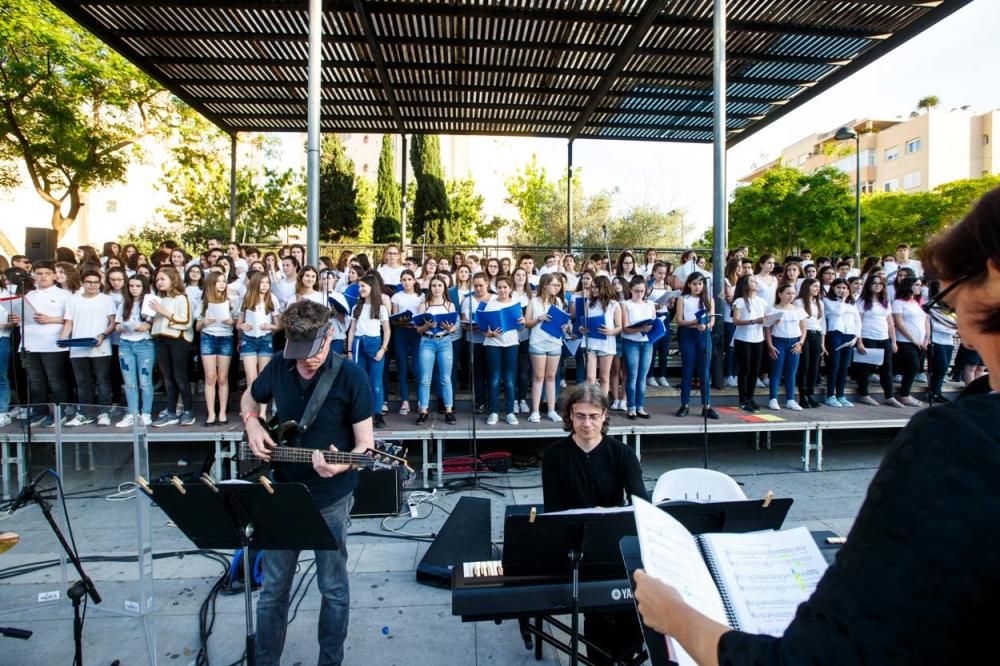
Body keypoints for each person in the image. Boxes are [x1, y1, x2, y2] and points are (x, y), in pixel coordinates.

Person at [632, 185, 1000, 666]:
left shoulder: (960, 444)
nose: (961, 328)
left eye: (950, 301)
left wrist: (676, 615)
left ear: (993, 276)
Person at [243, 299, 375, 666]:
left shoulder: (351, 377)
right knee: (272, 591)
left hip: (330, 497)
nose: (307, 360)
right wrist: (253, 422)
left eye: (313, 351)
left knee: (333, 589)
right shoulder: (279, 366)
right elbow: (249, 399)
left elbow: (366, 448)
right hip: (282, 494)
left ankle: (330, 661)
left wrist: (343, 467)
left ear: (329, 334)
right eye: (299, 353)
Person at [543, 383, 648, 664]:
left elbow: (641, 505)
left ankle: (627, 656)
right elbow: (554, 511)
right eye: (580, 416)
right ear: (570, 417)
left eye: (593, 416)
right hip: (575, 543)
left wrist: (610, 515)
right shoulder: (554, 456)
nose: (587, 423)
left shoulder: (623, 454)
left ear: (604, 416)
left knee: (628, 600)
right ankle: (600, 659)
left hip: (614, 539)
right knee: (597, 607)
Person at [60, 270, 117, 426]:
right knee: (83, 383)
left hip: (101, 345)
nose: (92, 285)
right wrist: (63, 339)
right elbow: (68, 323)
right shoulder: (72, 300)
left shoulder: (107, 300)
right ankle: (85, 413)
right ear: (82, 283)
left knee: (102, 381)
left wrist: (103, 335)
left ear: (100, 283)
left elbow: (112, 323)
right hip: (78, 346)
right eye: (89, 282)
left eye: (95, 282)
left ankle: (104, 412)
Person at [20, 261, 71, 427]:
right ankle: (38, 412)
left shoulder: (64, 295)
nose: (43, 276)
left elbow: (71, 318)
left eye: (47, 273)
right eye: (39, 273)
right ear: (33, 276)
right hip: (30, 343)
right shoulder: (28, 295)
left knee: (55, 379)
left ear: (54, 276)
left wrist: (51, 319)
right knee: (35, 380)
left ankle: (59, 412)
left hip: (52, 343)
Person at [149, 267, 196, 427]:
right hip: (161, 339)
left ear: (172, 279)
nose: (159, 282)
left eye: (162, 279)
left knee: (180, 377)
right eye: (157, 280)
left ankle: (188, 411)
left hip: (178, 340)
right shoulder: (159, 299)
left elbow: (187, 321)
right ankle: (171, 411)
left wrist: (164, 312)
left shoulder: (182, 298)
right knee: (167, 377)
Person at [346, 274, 390, 429]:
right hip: (358, 343)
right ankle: (361, 414)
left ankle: (377, 414)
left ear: (372, 287)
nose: (360, 289)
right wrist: (349, 349)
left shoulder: (381, 307)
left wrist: (383, 349)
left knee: (376, 383)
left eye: (363, 286)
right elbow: (351, 330)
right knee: (360, 381)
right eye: (359, 286)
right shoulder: (356, 307)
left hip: (374, 343)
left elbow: (386, 330)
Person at [413, 275, 457, 425]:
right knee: (425, 379)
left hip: (444, 341)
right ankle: (423, 410)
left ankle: (449, 410)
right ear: (430, 288)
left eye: (440, 285)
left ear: (444, 287)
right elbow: (418, 329)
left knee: (446, 378)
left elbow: (454, 326)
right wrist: (427, 326)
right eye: (434, 285)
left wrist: (451, 328)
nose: (437, 288)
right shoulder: (424, 305)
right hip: (427, 341)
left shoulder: (449, 305)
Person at [675, 273, 718, 419]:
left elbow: (712, 321)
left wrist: (705, 326)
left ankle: (707, 405)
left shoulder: (708, 299)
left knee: (704, 372)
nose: (697, 287)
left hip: (703, 336)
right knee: (687, 370)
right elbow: (679, 320)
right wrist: (693, 322)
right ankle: (684, 404)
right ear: (689, 285)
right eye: (694, 284)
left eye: (700, 284)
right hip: (688, 335)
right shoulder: (683, 298)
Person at [115, 274, 155, 427]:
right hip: (126, 343)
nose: (134, 289)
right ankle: (132, 413)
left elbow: (152, 323)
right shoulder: (124, 303)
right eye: (131, 286)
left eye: (138, 286)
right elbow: (117, 325)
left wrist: (144, 326)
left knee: (145, 380)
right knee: (129, 382)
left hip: (144, 343)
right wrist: (124, 326)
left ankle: (146, 413)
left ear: (144, 287)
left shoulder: (150, 303)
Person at [763, 283, 807, 411]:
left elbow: (804, 328)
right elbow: (768, 329)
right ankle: (773, 398)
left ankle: (791, 399)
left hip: (794, 342)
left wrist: (801, 343)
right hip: (778, 342)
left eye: (793, 293)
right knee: (776, 371)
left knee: (791, 372)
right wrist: (770, 345)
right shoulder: (773, 309)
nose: (791, 296)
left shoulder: (798, 310)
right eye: (788, 293)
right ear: (780, 294)